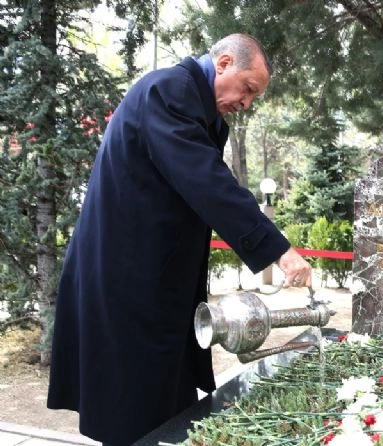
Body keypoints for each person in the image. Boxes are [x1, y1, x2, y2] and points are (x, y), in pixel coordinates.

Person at [47, 33, 312, 445]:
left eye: (254, 96)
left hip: (155, 278)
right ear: (223, 63)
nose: (246, 103)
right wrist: (278, 250)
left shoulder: (198, 107)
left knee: (166, 402)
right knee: (132, 408)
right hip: (126, 279)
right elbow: (208, 182)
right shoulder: (168, 91)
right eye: (247, 89)